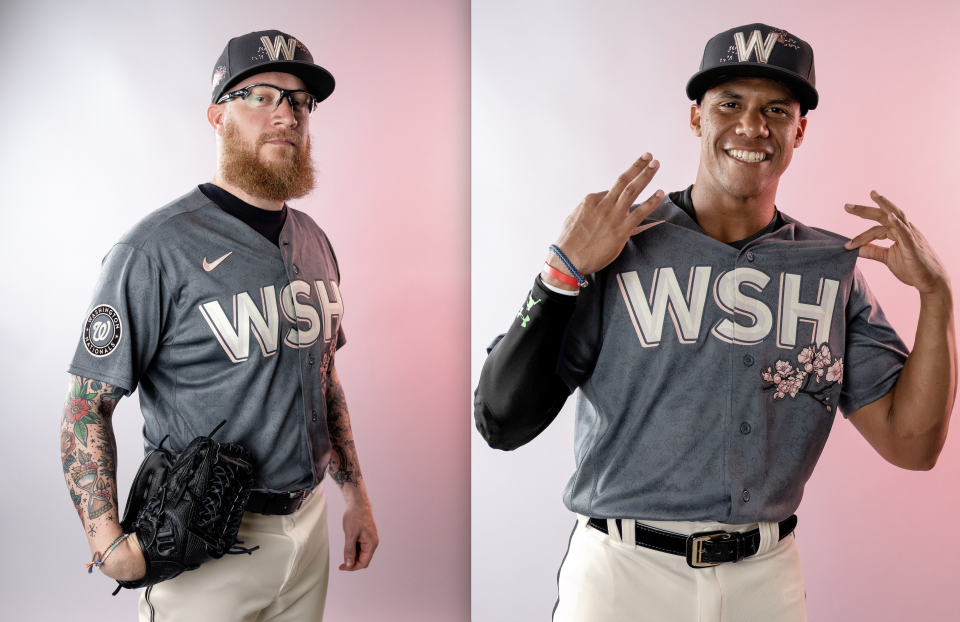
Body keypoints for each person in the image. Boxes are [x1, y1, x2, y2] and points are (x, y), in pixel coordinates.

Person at [474, 23, 955, 622]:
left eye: (776, 109)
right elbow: (500, 420)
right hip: (625, 576)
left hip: (765, 579)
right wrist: (562, 272)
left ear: (799, 129)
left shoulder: (831, 269)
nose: (752, 127)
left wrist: (937, 298)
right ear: (697, 117)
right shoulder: (619, 245)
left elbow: (912, 445)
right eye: (730, 103)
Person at [60, 29, 378, 621]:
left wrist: (355, 496)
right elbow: (86, 406)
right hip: (204, 537)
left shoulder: (314, 241)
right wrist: (107, 547)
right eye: (263, 94)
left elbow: (325, 376)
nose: (287, 113)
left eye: (301, 101)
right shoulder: (155, 248)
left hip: (308, 528)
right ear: (217, 115)